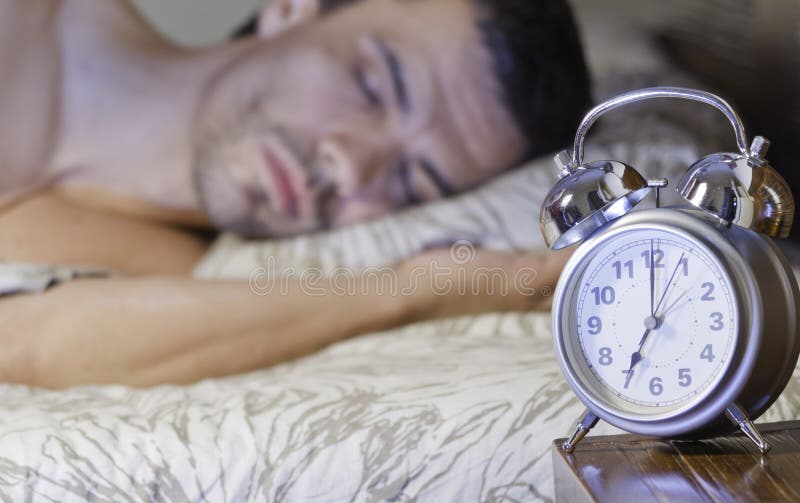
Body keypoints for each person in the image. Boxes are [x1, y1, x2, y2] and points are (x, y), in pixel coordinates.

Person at [0, 0, 590, 388]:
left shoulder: (164, 267)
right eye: (373, 86)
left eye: (412, 182)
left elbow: (25, 343)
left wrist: (415, 291)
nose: (352, 166)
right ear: (291, 10)